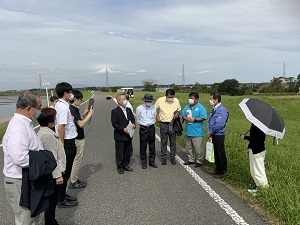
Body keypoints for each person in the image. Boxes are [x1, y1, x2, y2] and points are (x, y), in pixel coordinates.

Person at [2, 91, 44, 225]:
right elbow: (20, 158)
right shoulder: (19, 127)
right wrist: (43, 161)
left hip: (26, 179)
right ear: (29, 108)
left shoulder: (25, 123)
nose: (40, 111)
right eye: (39, 107)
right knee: (26, 220)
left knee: (31, 217)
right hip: (20, 182)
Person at [37, 108, 66, 225]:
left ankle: (51, 221)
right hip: (53, 175)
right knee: (51, 202)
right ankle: (50, 222)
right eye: (54, 117)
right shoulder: (48, 136)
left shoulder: (42, 132)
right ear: (50, 121)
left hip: (49, 174)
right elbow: (51, 158)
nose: (56, 119)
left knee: (51, 202)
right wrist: (58, 175)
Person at [55, 82, 78, 208]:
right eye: (70, 92)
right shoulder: (63, 107)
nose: (71, 94)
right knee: (65, 171)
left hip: (68, 140)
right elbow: (61, 127)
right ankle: (61, 199)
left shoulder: (59, 105)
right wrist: (62, 145)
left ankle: (62, 194)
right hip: (67, 142)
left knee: (65, 170)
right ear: (65, 93)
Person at [69, 90, 94, 189]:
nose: (80, 101)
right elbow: (80, 124)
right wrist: (90, 114)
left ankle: (74, 178)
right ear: (75, 98)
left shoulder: (74, 109)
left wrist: (84, 113)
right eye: (80, 99)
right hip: (78, 137)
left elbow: (78, 120)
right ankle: (73, 181)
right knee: (77, 160)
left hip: (76, 136)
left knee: (75, 159)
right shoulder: (72, 109)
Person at [240, 123, 269, 194]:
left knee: (259, 171)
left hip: (258, 151)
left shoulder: (262, 126)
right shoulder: (254, 123)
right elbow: (253, 138)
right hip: (253, 149)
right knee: (253, 170)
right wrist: (248, 148)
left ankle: (264, 188)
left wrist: (245, 137)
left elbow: (256, 139)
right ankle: (258, 187)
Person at [155, 89, 181, 165]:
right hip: (163, 124)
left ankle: (173, 157)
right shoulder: (160, 100)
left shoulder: (176, 101)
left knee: (173, 141)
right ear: (166, 95)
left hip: (173, 123)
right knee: (164, 141)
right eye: (169, 97)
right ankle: (164, 158)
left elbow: (178, 109)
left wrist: (177, 114)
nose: (171, 98)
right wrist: (157, 118)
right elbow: (154, 109)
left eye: (172, 97)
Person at [111, 94, 135, 174]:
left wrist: (133, 124)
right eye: (124, 99)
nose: (126, 101)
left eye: (126, 99)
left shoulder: (128, 109)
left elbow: (132, 119)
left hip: (129, 134)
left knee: (127, 151)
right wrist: (122, 129)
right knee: (120, 152)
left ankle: (126, 164)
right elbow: (114, 123)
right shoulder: (115, 111)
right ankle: (120, 166)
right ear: (119, 101)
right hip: (120, 135)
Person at [182, 92, 207, 168]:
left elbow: (203, 117)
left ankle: (199, 161)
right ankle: (191, 159)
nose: (190, 100)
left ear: (196, 99)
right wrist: (186, 118)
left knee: (198, 148)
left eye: (192, 98)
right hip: (188, 131)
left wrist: (194, 119)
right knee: (189, 147)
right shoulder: (187, 106)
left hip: (197, 132)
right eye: (190, 98)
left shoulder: (201, 107)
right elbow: (183, 114)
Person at [207, 92, 229, 177]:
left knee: (220, 152)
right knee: (215, 152)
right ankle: (217, 169)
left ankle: (222, 171)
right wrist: (209, 131)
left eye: (211, 99)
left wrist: (211, 132)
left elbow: (219, 124)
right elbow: (210, 121)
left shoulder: (222, 110)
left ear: (216, 99)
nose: (210, 101)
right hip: (213, 134)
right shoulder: (214, 109)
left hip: (219, 134)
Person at [136, 93, 157, 169]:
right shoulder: (139, 108)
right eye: (147, 100)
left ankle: (152, 161)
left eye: (150, 101)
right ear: (144, 101)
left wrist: (151, 124)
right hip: (143, 128)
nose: (149, 102)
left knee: (152, 145)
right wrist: (142, 125)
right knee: (143, 145)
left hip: (151, 127)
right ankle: (144, 161)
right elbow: (138, 118)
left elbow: (154, 117)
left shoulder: (154, 107)